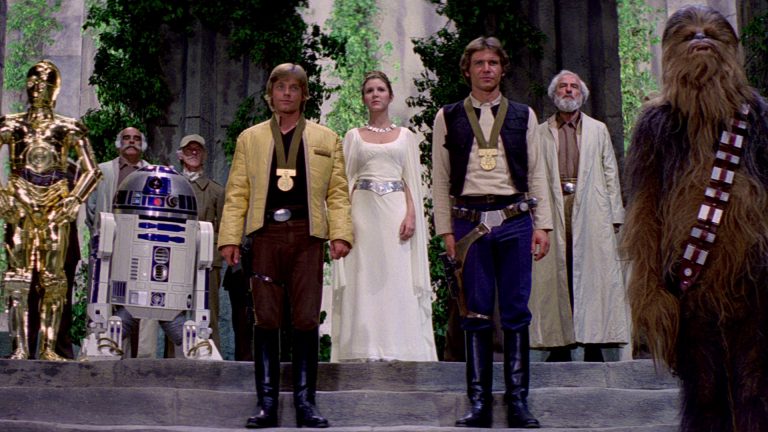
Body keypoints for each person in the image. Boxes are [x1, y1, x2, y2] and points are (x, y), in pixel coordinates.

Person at [623, 6, 768, 431]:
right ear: (670, 53)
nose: (700, 39)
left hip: (757, 280)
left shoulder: (759, 116)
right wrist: (650, 290)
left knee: (758, 389)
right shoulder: (656, 124)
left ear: (731, 52)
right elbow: (644, 211)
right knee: (703, 393)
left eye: (711, 35)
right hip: (689, 284)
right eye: (688, 36)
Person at [218, 63, 352, 429]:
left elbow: (338, 193)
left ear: (304, 94)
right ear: (270, 94)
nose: (287, 93)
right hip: (266, 235)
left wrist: (341, 233)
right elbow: (237, 192)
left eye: (295, 87)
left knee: (306, 318)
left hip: (308, 235)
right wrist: (230, 237)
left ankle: (306, 403)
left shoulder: (326, 138)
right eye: (281, 87)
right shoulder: (251, 138)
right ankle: (267, 404)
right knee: (266, 318)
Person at [432, 36, 552, 429]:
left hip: (515, 219)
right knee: (475, 311)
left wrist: (543, 225)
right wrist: (445, 230)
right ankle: (479, 403)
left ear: (502, 69)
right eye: (479, 63)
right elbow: (440, 179)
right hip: (469, 222)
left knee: (516, 310)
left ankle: (518, 402)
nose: (487, 69)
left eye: (493, 63)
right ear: (467, 70)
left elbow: (536, 172)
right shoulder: (448, 116)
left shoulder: (523, 115)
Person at [330, 71, 437, 362]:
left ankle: (400, 348)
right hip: (362, 215)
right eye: (369, 90)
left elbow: (412, 180)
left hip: (396, 214)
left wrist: (411, 214)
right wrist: (343, 225)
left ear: (390, 95)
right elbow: (344, 182)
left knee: (396, 276)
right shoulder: (353, 136)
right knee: (363, 277)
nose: (375, 94)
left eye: (380, 89)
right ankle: (362, 348)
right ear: (364, 98)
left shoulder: (406, 137)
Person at [0, 60, 102, 360]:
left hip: (56, 204)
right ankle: (20, 348)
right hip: (20, 200)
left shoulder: (67, 127)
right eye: (33, 82)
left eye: (45, 83)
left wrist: (74, 199)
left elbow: (92, 170)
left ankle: (48, 347)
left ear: (55, 89)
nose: (38, 88)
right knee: (17, 278)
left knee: (54, 279)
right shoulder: (12, 125)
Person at [529, 70, 628, 362]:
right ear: (554, 94)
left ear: (582, 94)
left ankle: (593, 342)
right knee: (559, 273)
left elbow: (610, 172)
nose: (569, 90)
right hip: (555, 204)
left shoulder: (597, 129)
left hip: (591, 208)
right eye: (563, 86)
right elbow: (533, 174)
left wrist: (615, 215)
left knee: (591, 275)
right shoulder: (541, 132)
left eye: (574, 86)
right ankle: (560, 344)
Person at [81, 126, 155, 357]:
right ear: (118, 143)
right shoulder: (103, 171)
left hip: (141, 248)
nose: (131, 141)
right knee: (101, 297)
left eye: (136, 138)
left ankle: (140, 358)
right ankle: (100, 349)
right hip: (107, 245)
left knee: (139, 301)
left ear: (143, 144)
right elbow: (91, 208)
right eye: (126, 138)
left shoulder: (152, 173)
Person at [175, 134, 225, 351]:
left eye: (198, 149)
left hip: (207, 260)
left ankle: (209, 357)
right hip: (176, 257)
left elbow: (225, 228)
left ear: (204, 155)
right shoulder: (172, 186)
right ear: (180, 155)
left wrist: (214, 251)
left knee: (208, 312)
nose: (194, 153)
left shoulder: (216, 191)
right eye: (189, 149)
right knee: (174, 312)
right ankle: (173, 360)